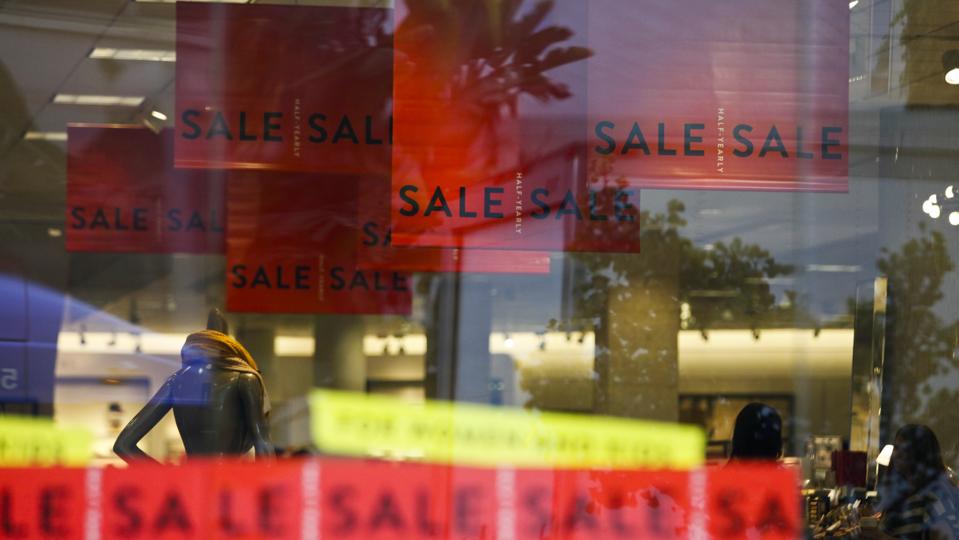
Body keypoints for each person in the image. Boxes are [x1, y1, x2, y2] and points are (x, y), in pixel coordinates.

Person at [113, 309, 274, 463]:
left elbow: (123, 446)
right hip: (229, 483)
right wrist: (263, 487)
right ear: (230, 346)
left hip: (190, 484)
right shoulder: (245, 377)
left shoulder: (176, 381)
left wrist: (168, 478)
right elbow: (263, 443)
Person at [861, 424, 959, 540]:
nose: (898, 454)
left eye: (906, 449)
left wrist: (879, 536)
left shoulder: (936, 495)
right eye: (896, 447)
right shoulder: (904, 492)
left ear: (921, 454)